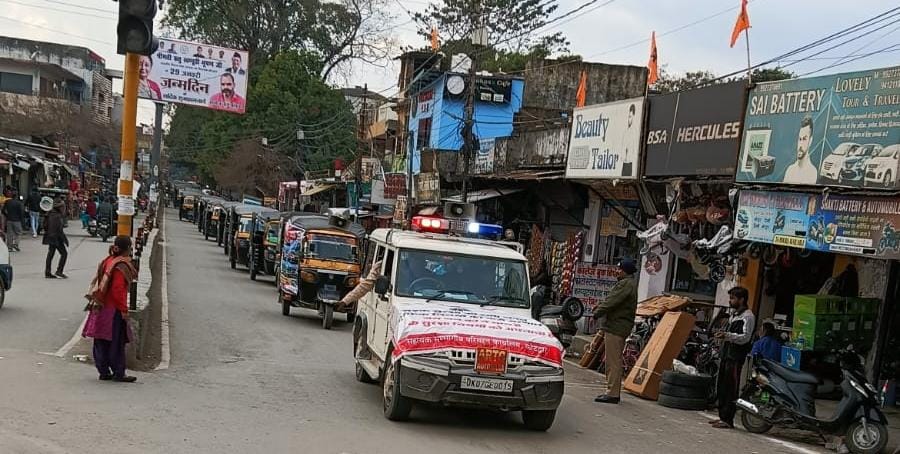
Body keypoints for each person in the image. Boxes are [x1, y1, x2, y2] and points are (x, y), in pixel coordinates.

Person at [82, 235, 137, 383]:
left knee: (100, 341)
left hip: (100, 307)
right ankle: (119, 372)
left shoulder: (108, 260)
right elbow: (118, 290)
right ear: (128, 249)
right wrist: (124, 309)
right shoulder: (121, 266)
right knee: (116, 342)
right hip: (113, 310)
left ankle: (104, 371)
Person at [592, 258, 639, 404]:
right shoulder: (627, 284)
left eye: (619, 269)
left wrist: (597, 312)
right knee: (613, 360)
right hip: (617, 325)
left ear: (624, 271)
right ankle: (611, 390)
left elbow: (612, 301)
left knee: (613, 361)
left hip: (617, 326)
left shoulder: (625, 284)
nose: (617, 271)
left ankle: (612, 393)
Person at [710, 286, 755, 429]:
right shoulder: (734, 315)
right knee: (722, 387)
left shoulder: (748, 316)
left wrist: (728, 336)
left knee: (731, 388)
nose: (730, 301)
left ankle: (728, 419)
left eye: (733, 298)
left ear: (741, 299)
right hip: (726, 355)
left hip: (735, 357)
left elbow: (745, 338)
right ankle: (722, 417)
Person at [783, 117, 818, 185]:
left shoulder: (812, 172)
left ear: (810, 141)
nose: (800, 145)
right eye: (800, 139)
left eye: (804, 139)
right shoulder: (790, 170)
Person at [43, 201, 69, 279]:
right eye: (63, 208)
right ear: (60, 208)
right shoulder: (58, 216)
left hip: (50, 236)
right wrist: (65, 240)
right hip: (56, 237)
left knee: (50, 254)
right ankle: (59, 271)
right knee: (64, 253)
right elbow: (59, 230)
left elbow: (45, 225)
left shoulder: (49, 214)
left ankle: (47, 272)